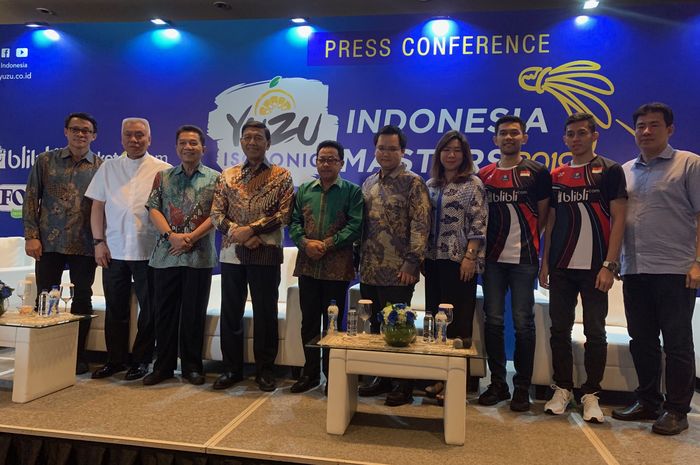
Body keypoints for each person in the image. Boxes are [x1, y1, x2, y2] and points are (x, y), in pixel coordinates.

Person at [611, 102, 700, 435]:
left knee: (677, 343)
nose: (646, 132)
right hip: (635, 268)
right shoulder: (626, 170)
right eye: (641, 126)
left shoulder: (689, 164)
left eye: (654, 125)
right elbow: (620, 220)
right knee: (642, 339)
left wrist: (698, 262)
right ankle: (648, 400)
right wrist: (617, 259)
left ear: (670, 129)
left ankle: (677, 410)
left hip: (676, 269)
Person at [539, 113, 627, 423]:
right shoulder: (556, 175)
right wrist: (545, 263)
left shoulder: (610, 171)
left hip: (595, 268)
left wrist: (609, 264)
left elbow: (619, 219)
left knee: (595, 332)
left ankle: (592, 394)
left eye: (582, 133)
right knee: (559, 330)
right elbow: (550, 223)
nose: (576, 139)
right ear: (564, 139)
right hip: (561, 267)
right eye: (571, 134)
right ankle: (562, 388)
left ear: (594, 135)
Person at [210, 120, 294, 392]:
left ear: (268, 143)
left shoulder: (282, 175)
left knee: (265, 314)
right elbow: (216, 214)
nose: (252, 142)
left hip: (266, 253)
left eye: (258, 137)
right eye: (247, 137)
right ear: (241, 142)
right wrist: (238, 231)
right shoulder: (227, 175)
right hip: (232, 254)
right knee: (231, 312)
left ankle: (265, 371)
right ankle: (232, 369)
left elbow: (284, 214)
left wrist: (253, 230)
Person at [86, 117, 171, 381]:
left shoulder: (164, 170)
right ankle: (115, 360)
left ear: (149, 139)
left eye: (139, 135)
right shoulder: (109, 168)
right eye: (129, 135)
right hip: (113, 249)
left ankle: (143, 360)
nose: (134, 140)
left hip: (150, 252)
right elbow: (97, 207)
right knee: (116, 308)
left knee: (151, 310)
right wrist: (98, 242)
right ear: (121, 139)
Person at [477, 115, 551, 412]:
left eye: (514, 133)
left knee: (523, 324)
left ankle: (521, 386)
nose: (509, 137)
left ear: (525, 138)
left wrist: (531, 244)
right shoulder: (483, 175)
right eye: (503, 133)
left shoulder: (537, 172)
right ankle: (498, 384)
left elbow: (545, 216)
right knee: (493, 321)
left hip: (525, 261)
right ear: (495, 140)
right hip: (492, 261)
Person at [23, 112, 104, 374]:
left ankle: (76, 356)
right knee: (46, 298)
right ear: (66, 132)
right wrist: (31, 235)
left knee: (82, 298)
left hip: (84, 244)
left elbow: (105, 209)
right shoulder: (45, 161)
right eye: (75, 129)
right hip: (48, 243)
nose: (81, 134)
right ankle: (43, 354)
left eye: (86, 131)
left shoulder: (101, 167)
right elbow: (31, 198)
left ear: (94, 136)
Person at [357, 125, 431, 406]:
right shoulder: (368, 183)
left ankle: (403, 384)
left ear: (402, 151)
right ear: (375, 150)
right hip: (370, 270)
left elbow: (421, 225)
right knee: (376, 328)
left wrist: (413, 262)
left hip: (399, 270)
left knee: (399, 327)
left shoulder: (413, 182)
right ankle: (382, 377)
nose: (386, 153)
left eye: (392, 148)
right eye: (381, 148)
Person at [142, 125, 219, 386]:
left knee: (193, 314)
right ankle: (162, 367)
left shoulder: (215, 179)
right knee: (163, 314)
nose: (188, 147)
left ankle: (192, 368)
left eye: (194, 143)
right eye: (183, 143)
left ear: (203, 148)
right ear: (176, 147)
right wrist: (171, 236)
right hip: (165, 256)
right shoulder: (163, 177)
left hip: (199, 257)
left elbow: (217, 215)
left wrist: (191, 238)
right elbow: (153, 209)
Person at [288, 140, 363, 394]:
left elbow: (355, 225)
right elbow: (294, 221)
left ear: (341, 163)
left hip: (337, 268)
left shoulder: (352, 192)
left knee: (333, 324)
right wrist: (304, 243)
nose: (326, 164)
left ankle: (334, 378)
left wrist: (327, 244)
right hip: (308, 266)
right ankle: (309, 374)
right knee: (308, 322)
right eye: (322, 159)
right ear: (316, 162)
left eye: (332, 159)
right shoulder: (305, 190)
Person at [423, 130, 488, 401]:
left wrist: (470, 257)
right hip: (433, 262)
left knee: (459, 323)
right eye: (446, 149)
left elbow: (479, 223)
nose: (451, 154)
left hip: (460, 262)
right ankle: (440, 378)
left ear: (464, 156)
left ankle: (457, 383)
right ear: (439, 154)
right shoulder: (431, 184)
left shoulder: (473, 184)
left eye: (457, 150)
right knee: (437, 322)